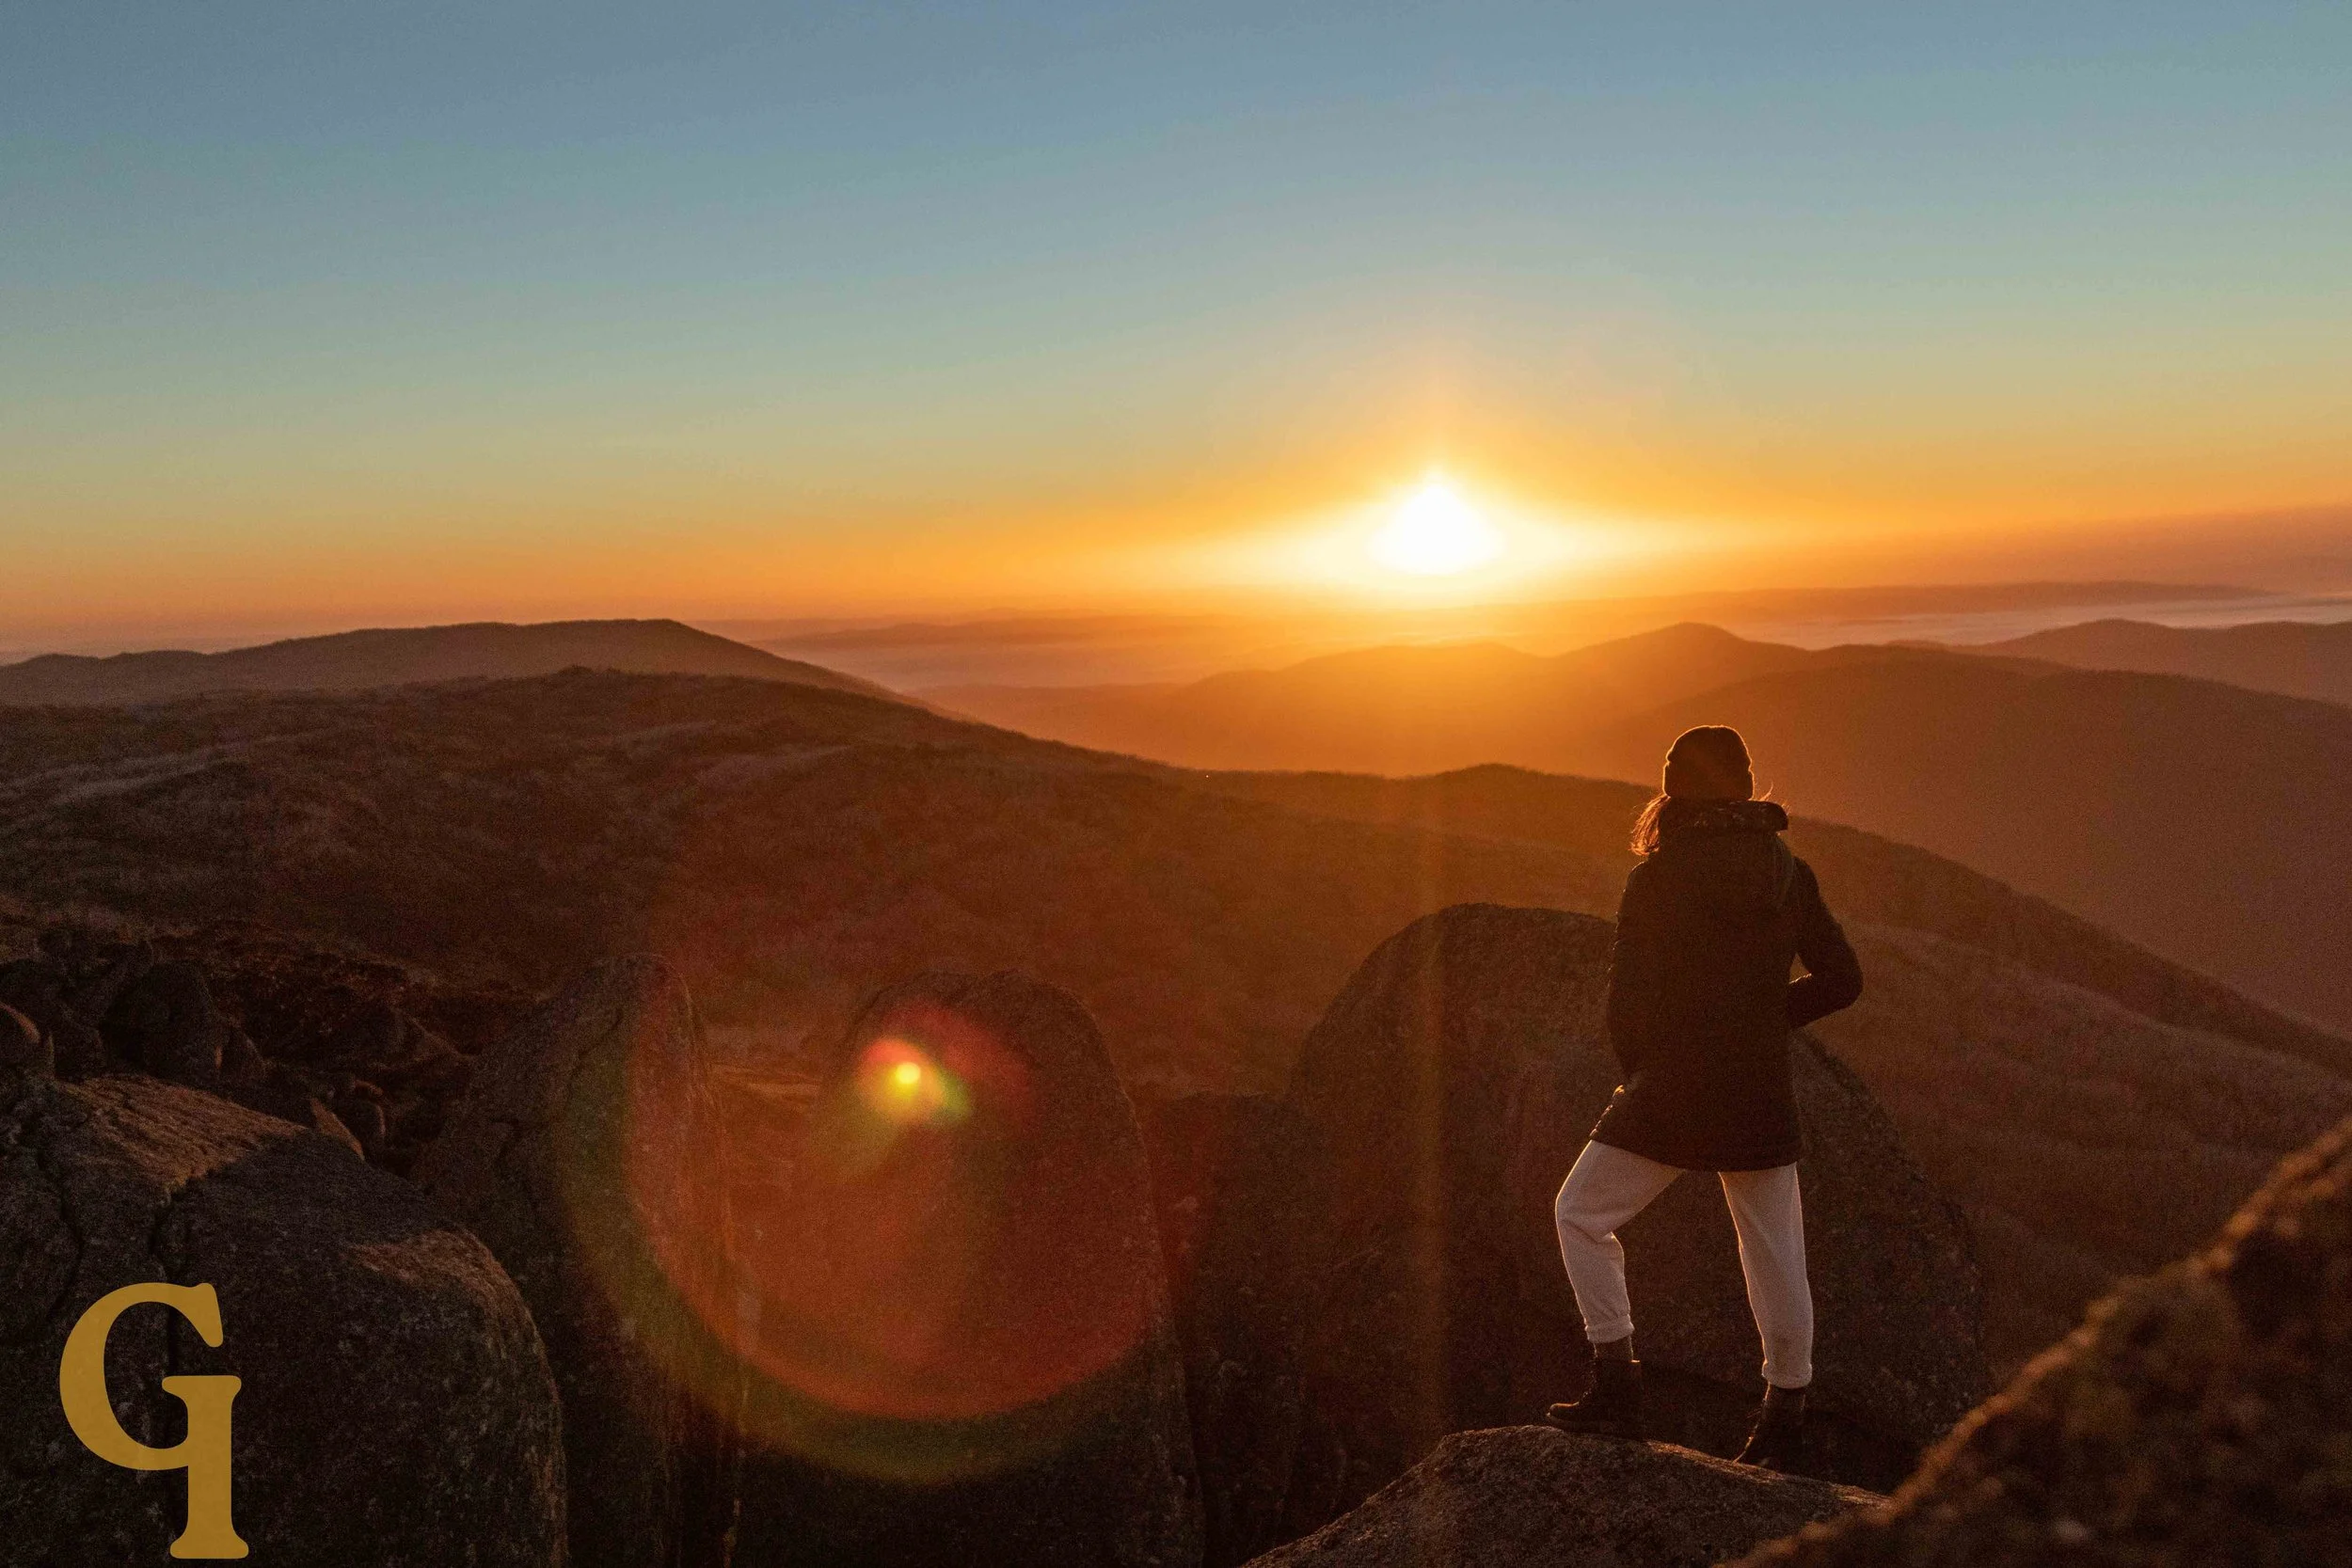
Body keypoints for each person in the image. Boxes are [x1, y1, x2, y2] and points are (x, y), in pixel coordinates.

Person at [1544, 724, 1862, 1471]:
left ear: (1674, 790)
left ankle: (1616, 1383)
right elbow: (1843, 979)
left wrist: (1642, 1074)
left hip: (1678, 1083)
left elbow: (1629, 1001)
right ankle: (1786, 1417)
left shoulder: (1658, 877)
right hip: (1758, 1087)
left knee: (1580, 1214)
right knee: (1777, 1252)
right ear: (1747, 789)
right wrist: (1767, 1017)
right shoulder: (1789, 871)